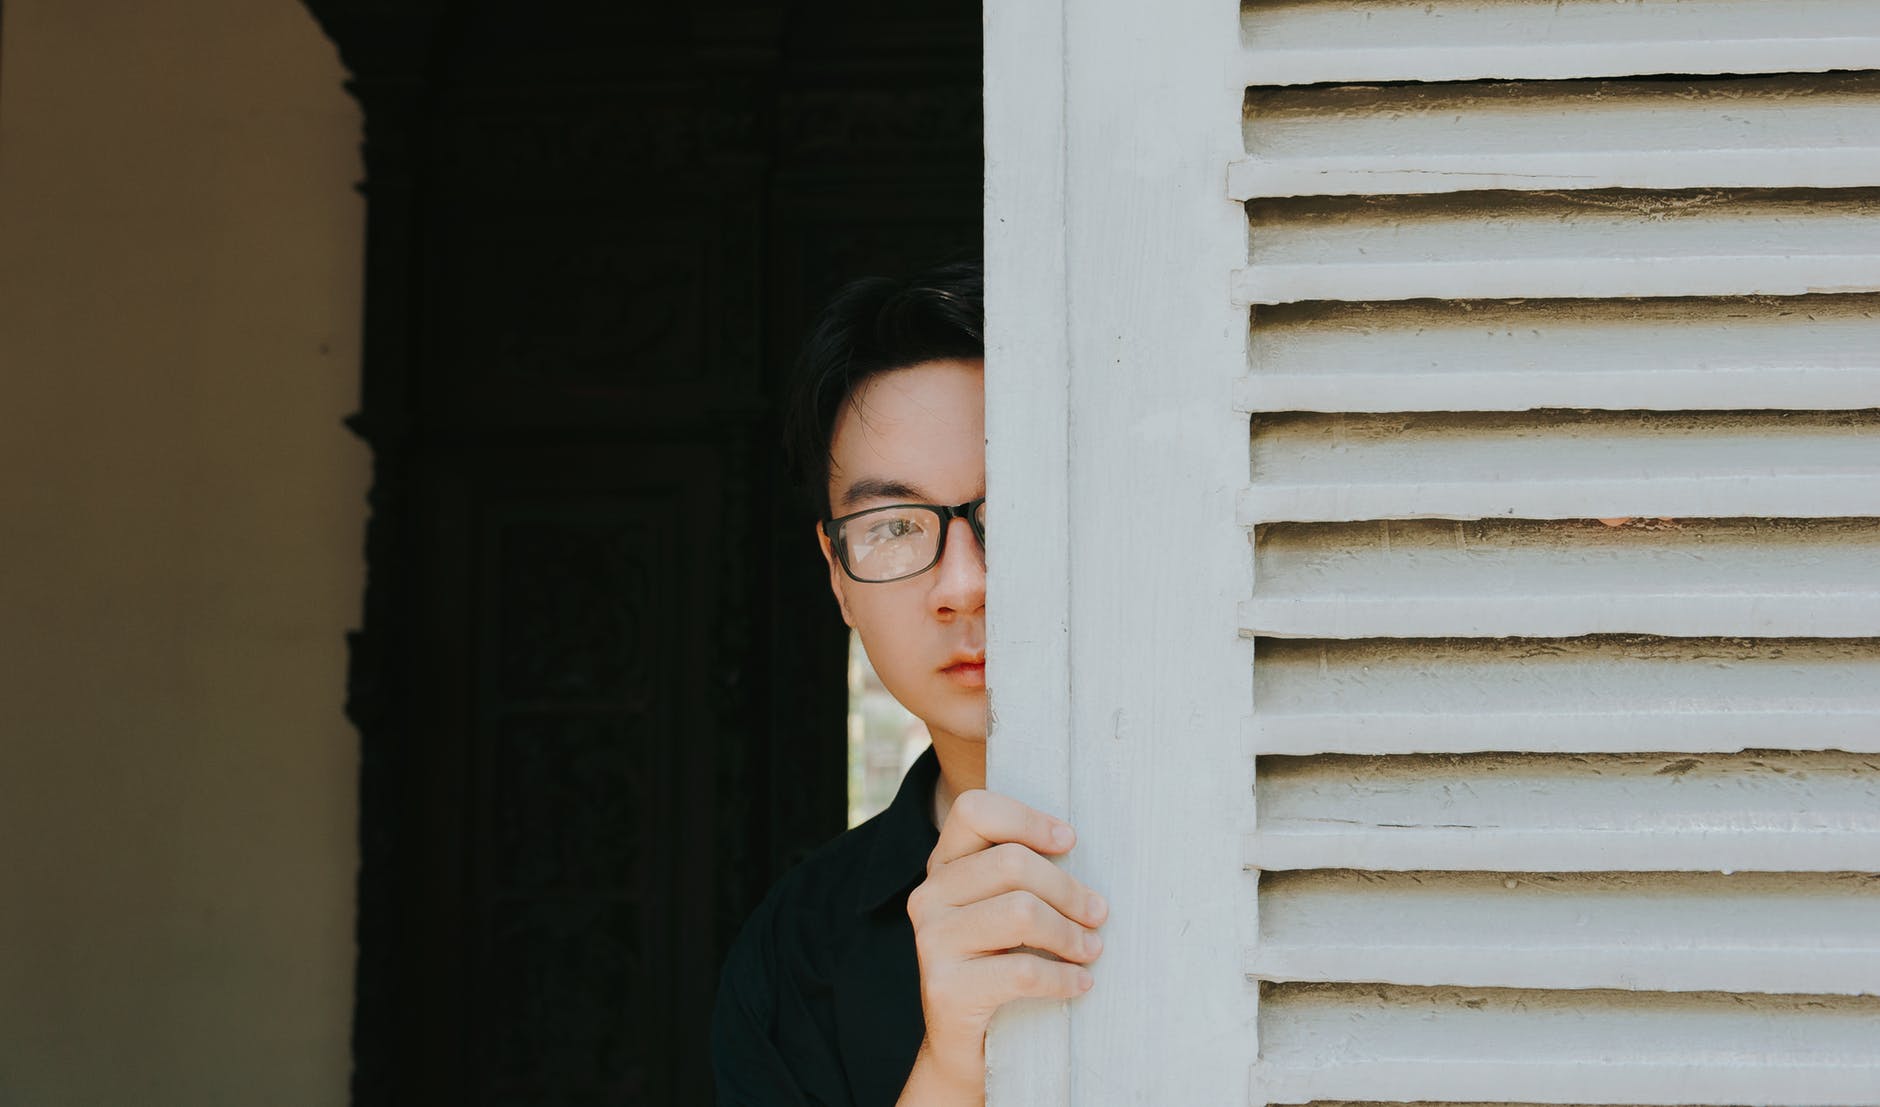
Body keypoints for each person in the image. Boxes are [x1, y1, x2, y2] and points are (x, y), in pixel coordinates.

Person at [712, 260, 1108, 1105]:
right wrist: (952, 1067)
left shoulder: (1264, 846)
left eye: (1012, 513)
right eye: (893, 525)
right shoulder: (794, 951)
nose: (963, 583)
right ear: (837, 574)